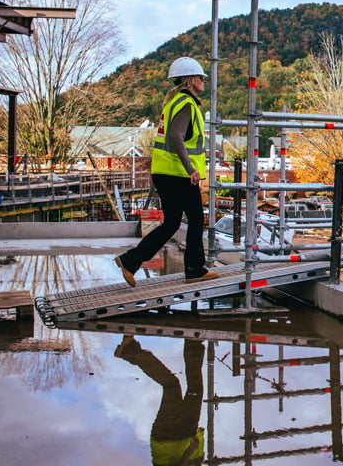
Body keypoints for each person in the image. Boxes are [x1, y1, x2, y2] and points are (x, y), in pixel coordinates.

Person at [116, 57, 219, 285]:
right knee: (195, 219)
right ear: (191, 80)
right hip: (178, 174)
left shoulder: (173, 102)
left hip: (165, 172)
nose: (203, 80)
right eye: (200, 77)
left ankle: (130, 260)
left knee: (172, 222)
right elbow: (175, 135)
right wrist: (191, 168)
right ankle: (194, 269)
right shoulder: (187, 103)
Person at [114, 336, 206, 466]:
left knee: (191, 389)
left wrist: (190, 450)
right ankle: (131, 351)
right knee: (172, 387)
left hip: (179, 436)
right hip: (166, 436)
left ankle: (193, 343)